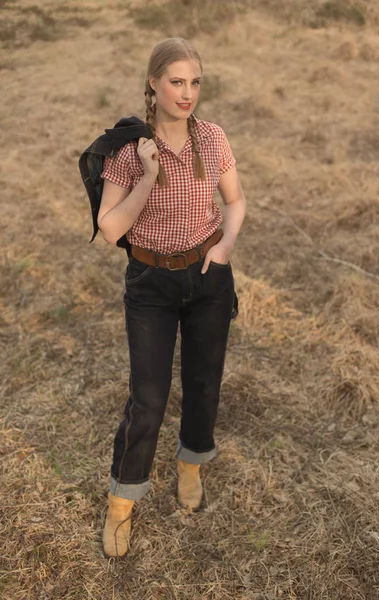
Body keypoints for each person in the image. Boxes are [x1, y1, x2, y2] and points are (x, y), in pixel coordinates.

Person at [98, 37, 246, 558]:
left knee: (204, 384)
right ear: (154, 84)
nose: (187, 94)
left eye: (195, 83)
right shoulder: (129, 150)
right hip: (151, 285)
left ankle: (190, 465)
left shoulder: (211, 136)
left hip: (208, 279)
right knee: (149, 399)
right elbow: (111, 227)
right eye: (177, 82)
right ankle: (122, 502)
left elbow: (234, 199)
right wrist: (149, 176)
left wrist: (225, 246)